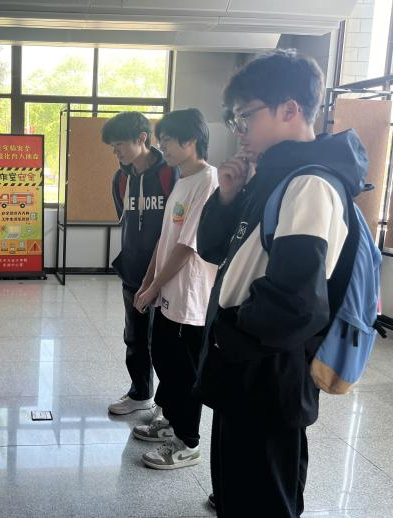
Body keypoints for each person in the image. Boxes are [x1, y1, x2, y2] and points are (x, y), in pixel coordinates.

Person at [194, 49, 368, 517]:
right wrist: (226, 196)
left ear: (290, 109)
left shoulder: (309, 185)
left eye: (245, 116)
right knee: (240, 488)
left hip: (266, 374)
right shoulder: (269, 176)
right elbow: (213, 251)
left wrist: (227, 337)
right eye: (235, 119)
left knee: (263, 497)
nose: (239, 129)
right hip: (246, 368)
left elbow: (295, 304)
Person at [131, 108, 218, 469]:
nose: (162, 146)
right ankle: (170, 421)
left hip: (189, 295)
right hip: (169, 289)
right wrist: (148, 282)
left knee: (184, 371)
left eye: (167, 139)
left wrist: (154, 287)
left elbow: (186, 247)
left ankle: (188, 442)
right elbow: (165, 238)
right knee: (165, 358)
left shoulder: (208, 182)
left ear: (191, 140)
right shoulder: (182, 179)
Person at [102, 111, 178, 415]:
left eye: (119, 144)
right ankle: (140, 393)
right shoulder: (121, 179)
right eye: (113, 147)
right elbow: (125, 220)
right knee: (134, 338)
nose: (116, 152)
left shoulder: (170, 173)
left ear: (142, 138)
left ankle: (167, 402)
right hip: (133, 272)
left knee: (164, 342)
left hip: (166, 274)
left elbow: (177, 227)